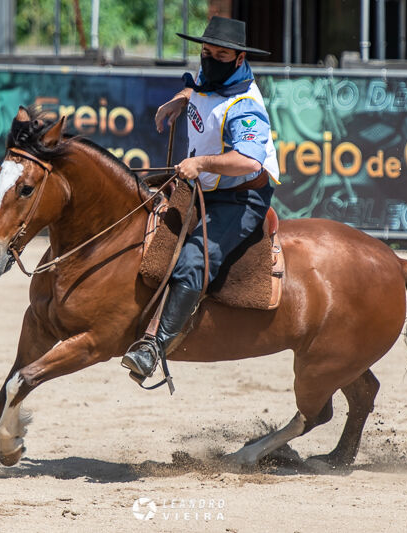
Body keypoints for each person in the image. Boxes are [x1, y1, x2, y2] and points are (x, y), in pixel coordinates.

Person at [122, 16, 280, 384]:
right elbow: (199, 87)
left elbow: (249, 159)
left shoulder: (245, 105)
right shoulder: (215, 72)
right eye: (205, 52)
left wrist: (202, 162)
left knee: (194, 259)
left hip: (241, 198)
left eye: (220, 54)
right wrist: (178, 100)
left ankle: (154, 346)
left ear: (239, 58)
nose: (209, 59)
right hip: (204, 187)